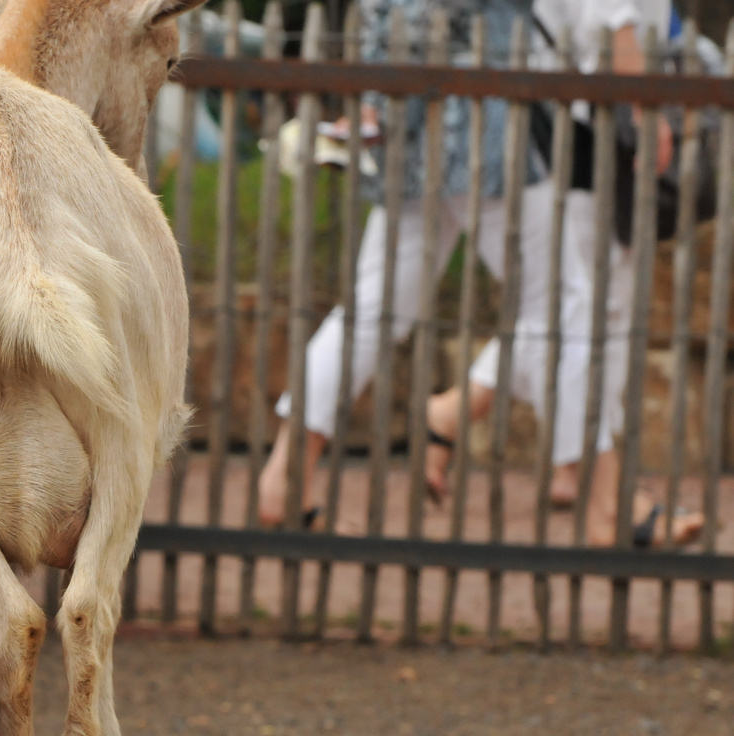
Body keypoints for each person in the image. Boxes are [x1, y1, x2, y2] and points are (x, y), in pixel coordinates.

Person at [256, 0, 699, 547]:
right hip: (486, 131)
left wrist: (378, 107)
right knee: (564, 306)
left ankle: (284, 479)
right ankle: (608, 505)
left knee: (372, 309)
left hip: (415, 136)